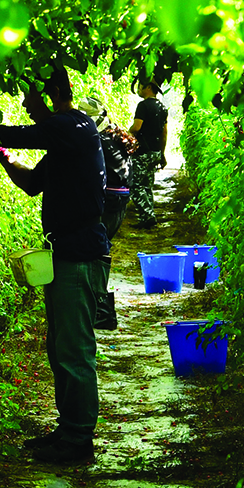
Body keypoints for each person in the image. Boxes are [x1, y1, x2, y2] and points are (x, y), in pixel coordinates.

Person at [0, 65, 109, 465]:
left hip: (80, 257)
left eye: (30, 97)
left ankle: (79, 439)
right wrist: (1, 157)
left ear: (49, 95)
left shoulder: (72, 125)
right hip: (68, 255)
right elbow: (33, 183)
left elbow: (22, 133)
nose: (25, 106)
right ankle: (68, 429)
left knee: (74, 348)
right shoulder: (66, 140)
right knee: (60, 347)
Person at [76, 96, 136, 330]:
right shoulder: (115, 135)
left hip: (109, 199)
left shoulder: (99, 139)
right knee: (101, 247)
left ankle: (101, 309)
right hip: (120, 198)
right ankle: (100, 308)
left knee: (96, 250)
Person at [128, 79, 168, 229]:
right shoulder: (162, 107)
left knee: (135, 185)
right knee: (147, 185)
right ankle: (148, 215)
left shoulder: (143, 106)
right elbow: (164, 132)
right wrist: (162, 154)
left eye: (139, 86)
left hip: (143, 151)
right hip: (155, 152)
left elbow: (137, 127)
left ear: (148, 88)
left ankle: (148, 215)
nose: (138, 89)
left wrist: (127, 133)